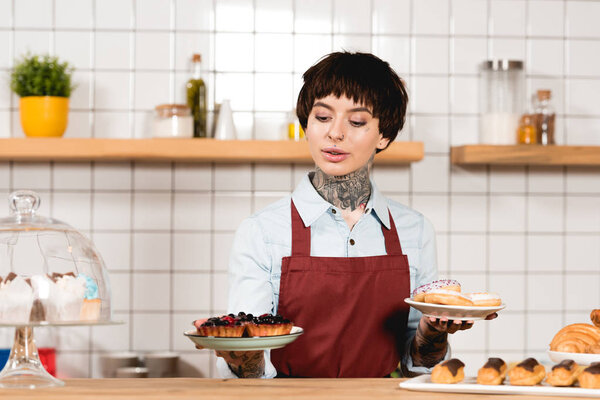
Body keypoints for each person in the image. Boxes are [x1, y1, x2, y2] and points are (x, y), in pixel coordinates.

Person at [209, 52, 495, 378]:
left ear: (384, 134)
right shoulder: (262, 232)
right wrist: (242, 357)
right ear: (306, 124)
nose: (335, 133)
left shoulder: (414, 231)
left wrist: (434, 332)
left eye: (356, 122)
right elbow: (248, 373)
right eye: (322, 117)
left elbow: (420, 367)